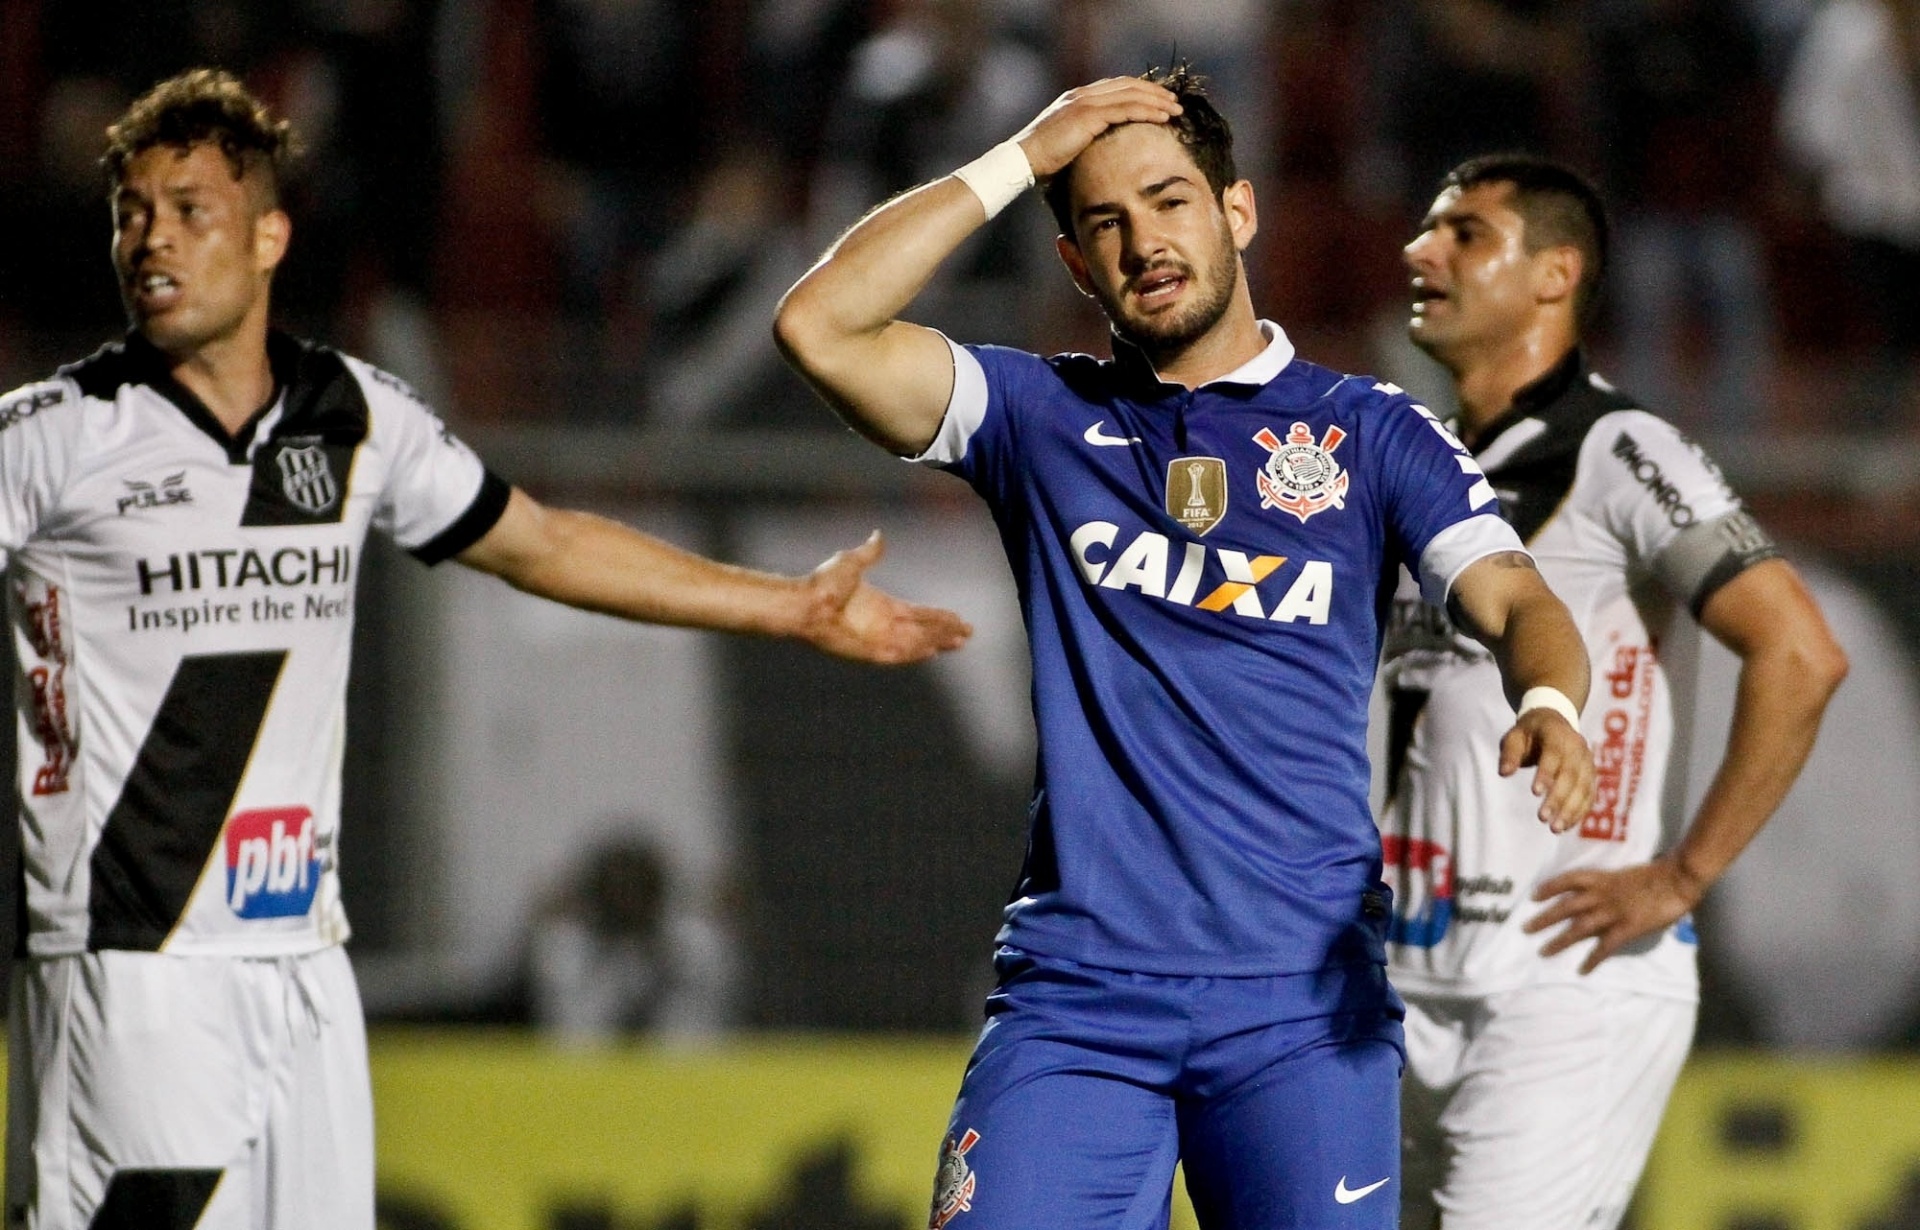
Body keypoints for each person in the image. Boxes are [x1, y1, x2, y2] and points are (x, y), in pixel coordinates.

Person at [0, 68, 971, 1230]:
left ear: (268, 236)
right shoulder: (53, 439)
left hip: (303, 967)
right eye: (132, 213)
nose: (151, 239)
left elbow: (543, 543)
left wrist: (785, 606)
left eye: (187, 209)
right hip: (128, 966)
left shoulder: (350, 419)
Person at [774, 66, 1596, 1229]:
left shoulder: (1370, 432)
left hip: (1301, 1012)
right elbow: (819, 324)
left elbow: (1514, 596)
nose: (1142, 241)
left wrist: (1553, 704)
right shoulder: (1038, 419)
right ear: (1073, 262)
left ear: (1238, 212)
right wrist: (1022, 156)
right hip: (1078, 1003)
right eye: (1104, 221)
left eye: (1169, 201)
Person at [1382, 153, 1849, 1230]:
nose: (1423, 249)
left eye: (1464, 233)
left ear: (1556, 275)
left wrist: (1685, 875)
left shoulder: (1619, 447)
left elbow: (1800, 651)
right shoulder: (1426, 461)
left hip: (1566, 978)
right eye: (1426, 229)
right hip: (1403, 978)